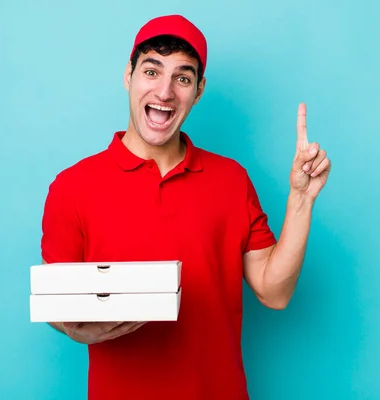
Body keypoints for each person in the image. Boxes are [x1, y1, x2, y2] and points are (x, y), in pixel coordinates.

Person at [39, 14, 330, 400]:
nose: (164, 92)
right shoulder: (72, 186)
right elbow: (58, 301)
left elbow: (274, 292)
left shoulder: (231, 180)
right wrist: (74, 328)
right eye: (151, 71)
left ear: (198, 90)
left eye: (182, 78)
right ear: (128, 75)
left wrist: (301, 200)